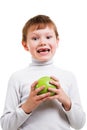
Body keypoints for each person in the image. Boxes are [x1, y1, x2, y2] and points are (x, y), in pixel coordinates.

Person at [0, 14, 86, 130]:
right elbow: (6, 126)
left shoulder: (68, 77)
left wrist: (65, 100)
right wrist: (28, 106)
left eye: (48, 37)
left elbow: (79, 124)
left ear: (57, 41)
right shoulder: (17, 78)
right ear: (25, 45)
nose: (42, 42)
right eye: (35, 38)